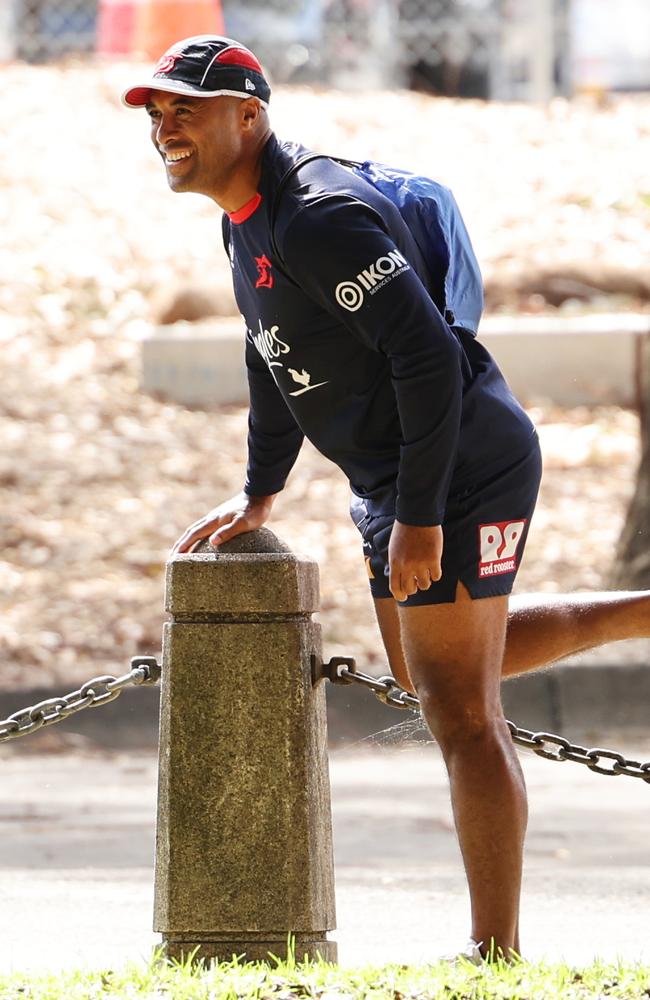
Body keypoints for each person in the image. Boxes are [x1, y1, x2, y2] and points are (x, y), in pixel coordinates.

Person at [122, 35, 650, 962]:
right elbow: (268, 349)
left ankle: (495, 951)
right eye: (157, 113)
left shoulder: (321, 219)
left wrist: (419, 515)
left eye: (186, 110)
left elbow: (430, 358)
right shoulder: (246, 217)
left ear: (250, 116)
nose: (166, 128)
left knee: (460, 709)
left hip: (460, 466)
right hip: (391, 474)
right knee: (425, 670)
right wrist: (261, 489)